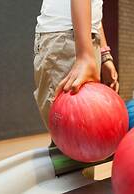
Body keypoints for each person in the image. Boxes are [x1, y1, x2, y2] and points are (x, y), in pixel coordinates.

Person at [33, 0, 119, 131]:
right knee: (72, 137)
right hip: (66, 38)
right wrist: (84, 55)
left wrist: (104, 53)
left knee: (89, 133)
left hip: (86, 39)